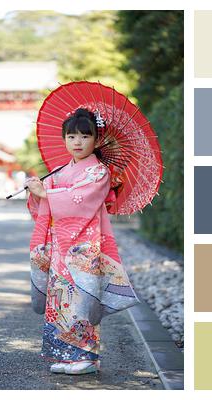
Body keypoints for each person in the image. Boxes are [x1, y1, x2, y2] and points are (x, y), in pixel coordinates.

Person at [25, 108, 140, 375]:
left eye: (85, 136)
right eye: (71, 136)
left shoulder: (98, 172)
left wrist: (48, 194)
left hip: (83, 247)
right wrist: (37, 190)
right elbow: (44, 198)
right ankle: (66, 355)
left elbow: (81, 201)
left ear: (97, 140)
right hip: (59, 247)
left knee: (82, 299)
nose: (77, 142)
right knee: (60, 298)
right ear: (64, 139)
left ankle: (87, 356)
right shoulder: (59, 171)